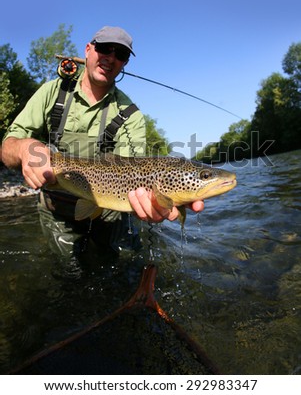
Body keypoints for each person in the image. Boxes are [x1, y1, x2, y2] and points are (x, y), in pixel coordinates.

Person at [2, 25, 204, 257]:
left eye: (120, 55)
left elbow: (137, 173)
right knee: (70, 278)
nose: (111, 58)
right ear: (88, 49)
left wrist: (157, 201)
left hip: (112, 213)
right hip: (57, 209)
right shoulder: (52, 92)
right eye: (105, 49)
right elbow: (7, 147)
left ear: (124, 63)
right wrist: (26, 148)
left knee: (122, 271)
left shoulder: (130, 114)